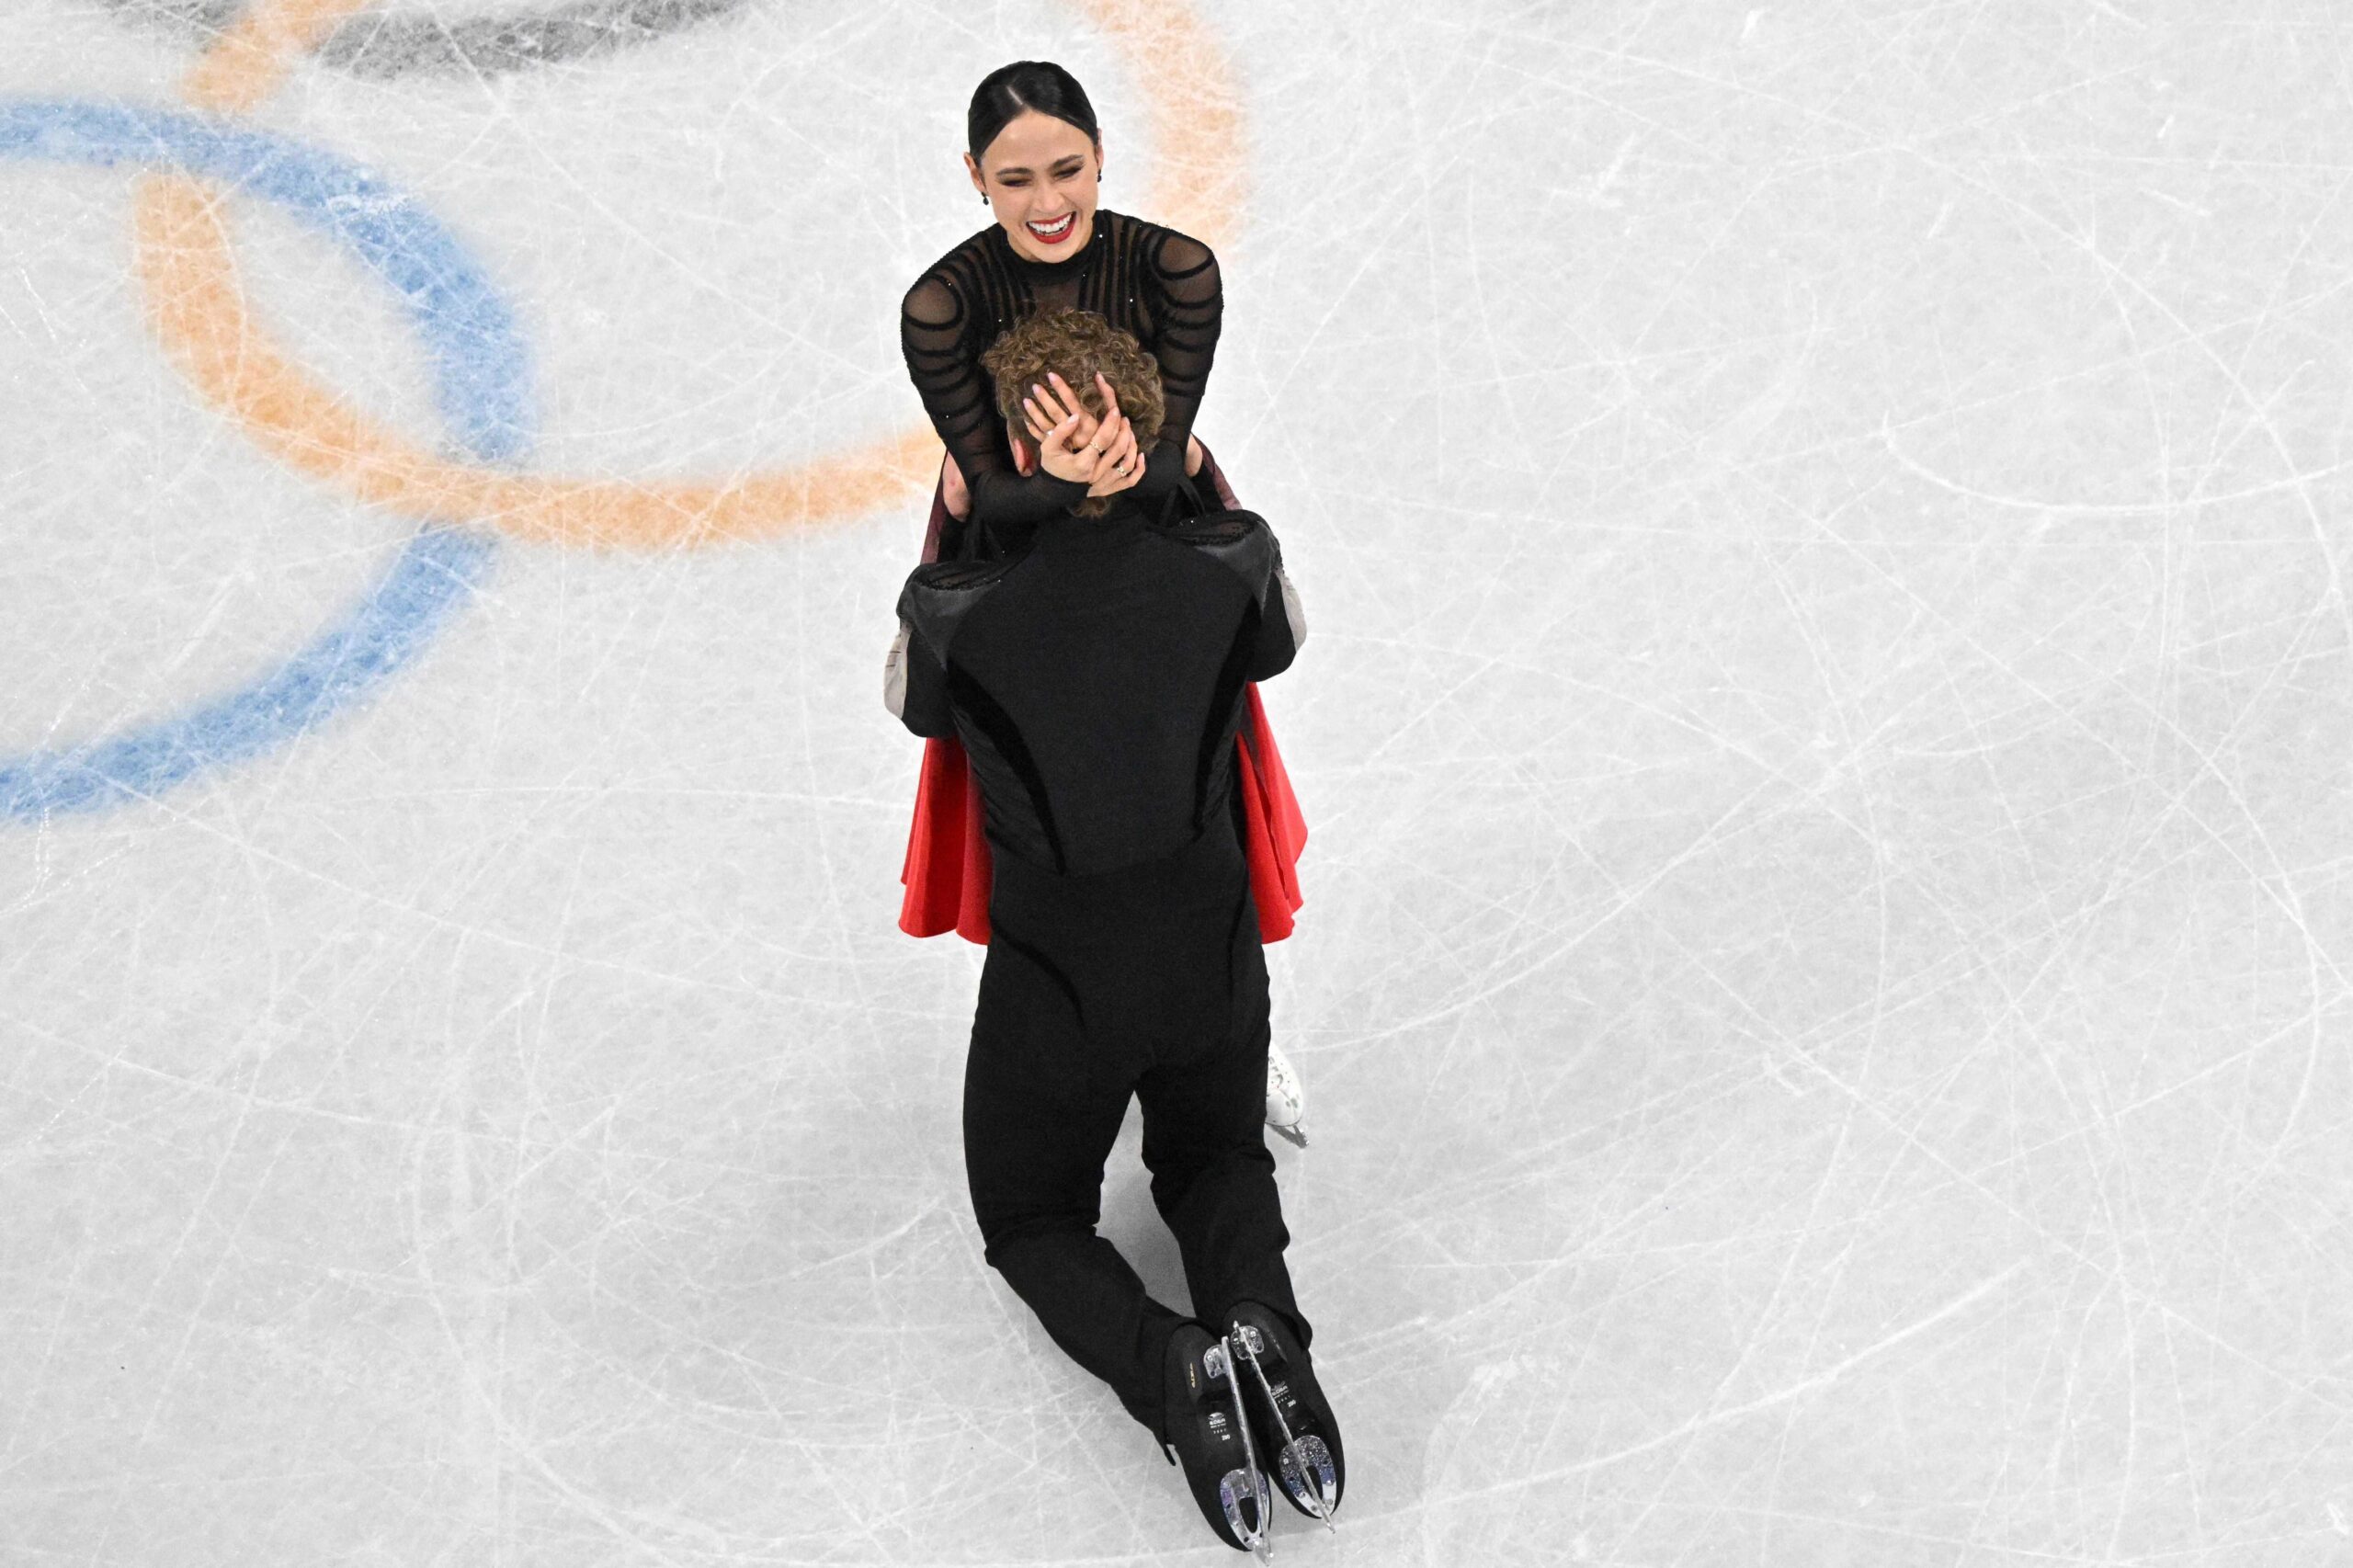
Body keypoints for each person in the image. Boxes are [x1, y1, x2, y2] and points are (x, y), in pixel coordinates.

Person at [884, 308, 1344, 1553]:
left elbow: (911, 700)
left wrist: (1000, 507)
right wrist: (1176, 474)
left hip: (1061, 984)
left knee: (1031, 1218)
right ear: (1147, 431)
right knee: (1217, 1161)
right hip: (1210, 948)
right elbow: (1275, 628)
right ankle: (1261, 1321)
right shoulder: (1231, 562)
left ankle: (1172, 1365)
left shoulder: (953, 608)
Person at [892, 60, 1311, 978]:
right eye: (1015, 180)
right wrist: (1054, 484)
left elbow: (1167, 457)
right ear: (975, 178)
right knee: (1039, 784)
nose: (1048, 201)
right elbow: (990, 492)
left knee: (1190, 761)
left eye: (1067, 170)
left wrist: (1124, 472)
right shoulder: (940, 306)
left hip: (1158, 529)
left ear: (1099, 157)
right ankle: (1058, 992)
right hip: (1019, 551)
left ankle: (1228, 985)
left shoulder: (1175, 270)